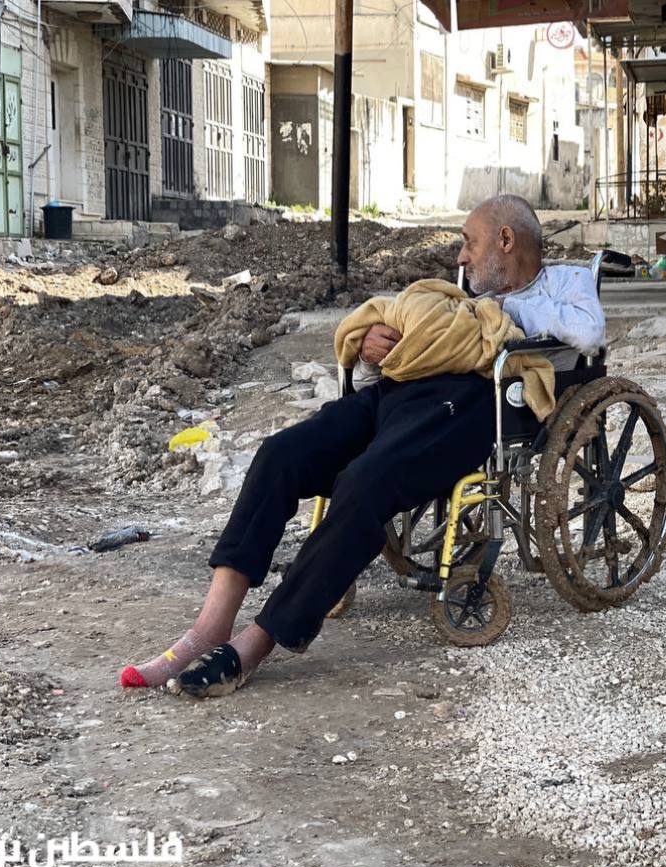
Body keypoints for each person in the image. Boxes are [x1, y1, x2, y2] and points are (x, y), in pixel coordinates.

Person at [120, 194, 606, 697]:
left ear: (506, 241)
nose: (460, 257)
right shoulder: (461, 289)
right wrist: (377, 340)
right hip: (398, 390)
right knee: (280, 455)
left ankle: (256, 642)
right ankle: (210, 625)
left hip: (471, 406)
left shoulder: (565, 284)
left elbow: (588, 334)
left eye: (469, 243)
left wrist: (499, 310)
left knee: (362, 485)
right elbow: (421, 325)